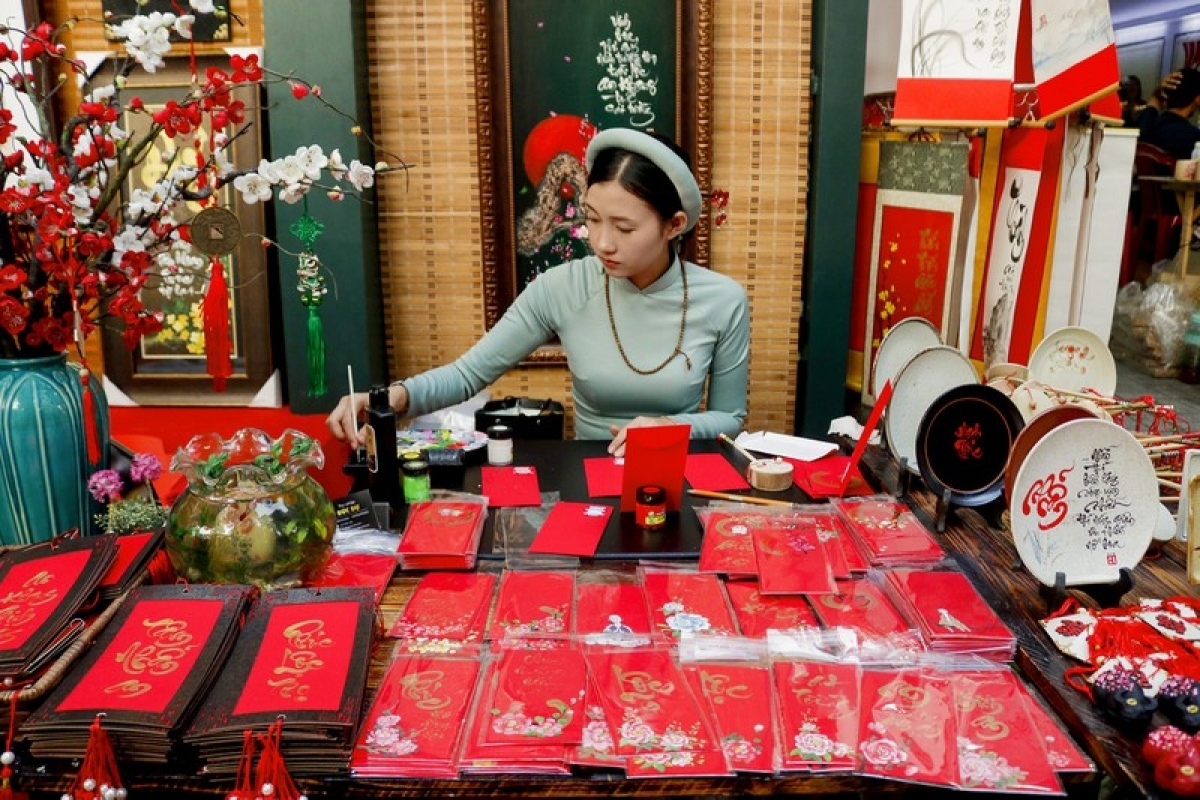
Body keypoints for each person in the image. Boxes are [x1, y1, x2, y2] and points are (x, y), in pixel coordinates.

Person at [326, 128, 750, 457]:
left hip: (676, 472)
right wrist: (389, 398)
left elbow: (730, 418)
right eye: (593, 219)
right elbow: (468, 374)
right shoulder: (562, 286)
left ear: (674, 225)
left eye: (624, 228)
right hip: (588, 471)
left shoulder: (723, 301)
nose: (602, 242)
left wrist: (671, 428)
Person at [1141, 67, 1200, 160]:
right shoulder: (1194, 138)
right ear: (1198, 99)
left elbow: (1154, 102)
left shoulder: (1145, 125)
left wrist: (1157, 94)